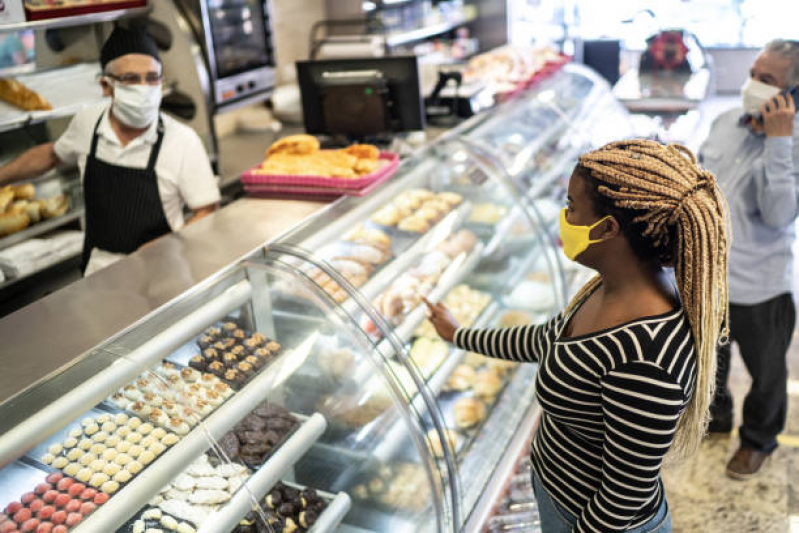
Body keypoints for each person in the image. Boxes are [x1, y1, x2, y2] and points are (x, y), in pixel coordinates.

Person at [425, 140, 729, 533]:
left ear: (607, 228)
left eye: (571, 207)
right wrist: (459, 335)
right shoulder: (610, 287)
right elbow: (549, 340)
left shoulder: (647, 357)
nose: (564, 216)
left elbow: (623, 496)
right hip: (561, 498)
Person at [0, 27, 220, 275]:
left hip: (164, 272)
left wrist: (166, 246)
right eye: (131, 79)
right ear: (106, 85)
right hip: (98, 273)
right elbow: (51, 155)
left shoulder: (182, 140)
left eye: (152, 78)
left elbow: (207, 213)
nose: (144, 88)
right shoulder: (88, 124)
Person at [698, 39, 799, 479]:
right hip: (710, 280)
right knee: (710, 363)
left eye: (768, 80)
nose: (753, 85)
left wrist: (779, 144)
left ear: (790, 95)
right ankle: (716, 418)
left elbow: (779, 215)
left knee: (767, 376)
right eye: (754, 73)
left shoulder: (791, 147)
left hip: (763, 287)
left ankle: (757, 441)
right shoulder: (724, 122)